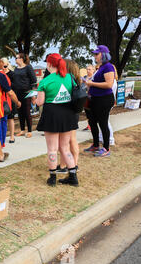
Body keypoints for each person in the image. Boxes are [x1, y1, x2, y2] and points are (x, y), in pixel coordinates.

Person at [36, 53, 78, 187]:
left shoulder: (45, 81)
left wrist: (34, 98)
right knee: (65, 148)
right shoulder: (70, 77)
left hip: (52, 116)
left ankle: (52, 178)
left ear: (49, 64)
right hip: (68, 115)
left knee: (52, 149)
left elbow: (40, 102)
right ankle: (73, 176)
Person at [83, 45, 115, 157]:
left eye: (97, 54)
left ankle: (106, 148)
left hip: (104, 99)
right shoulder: (100, 67)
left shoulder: (108, 67)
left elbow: (109, 84)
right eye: (94, 54)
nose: (95, 56)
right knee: (92, 122)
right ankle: (96, 145)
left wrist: (91, 83)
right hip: (95, 99)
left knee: (103, 123)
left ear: (103, 54)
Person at [56, 59, 81, 174]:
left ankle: (63, 165)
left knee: (64, 142)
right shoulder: (76, 80)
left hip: (67, 113)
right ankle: (74, 164)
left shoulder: (66, 80)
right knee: (72, 140)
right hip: (74, 112)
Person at [13, 53, 37, 138]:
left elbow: (34, 81)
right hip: (17, 93)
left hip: (27, 93)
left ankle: (30, 131)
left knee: (27, 112)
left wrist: (33, 96)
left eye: (16, 58)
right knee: (20, 112)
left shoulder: (28, 67)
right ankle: (22, 130)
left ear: (21, 59)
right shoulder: (15, 69)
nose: (15, 59)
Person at [98, 64, 117, 147]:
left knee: (106, 122)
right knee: (103, 121)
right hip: (105, 102)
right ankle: (101, 137)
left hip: (107, 102)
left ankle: (111, 139)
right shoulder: (110, 80)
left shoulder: (111, 81)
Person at [1, 58, 17, 144]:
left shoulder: (12, 74)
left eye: (5, 66)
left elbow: (15, 86)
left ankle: (12, 136)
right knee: (2, 119)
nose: (3, 67)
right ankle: (2, 137)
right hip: (1, 99)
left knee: (10, 118)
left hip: (10, 98)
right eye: (2, 66)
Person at [82, 65, 96, 131]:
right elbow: (82, 86)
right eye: (87, 69)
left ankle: (93, 125)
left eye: (89, 69)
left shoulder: (94, 77)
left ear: (93, 70)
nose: (88, 71)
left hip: (93, 97)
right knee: (87, 112)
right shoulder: (84, 77)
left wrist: (88, 84)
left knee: (92, 113)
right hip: (85, 97)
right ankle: (88, 125)